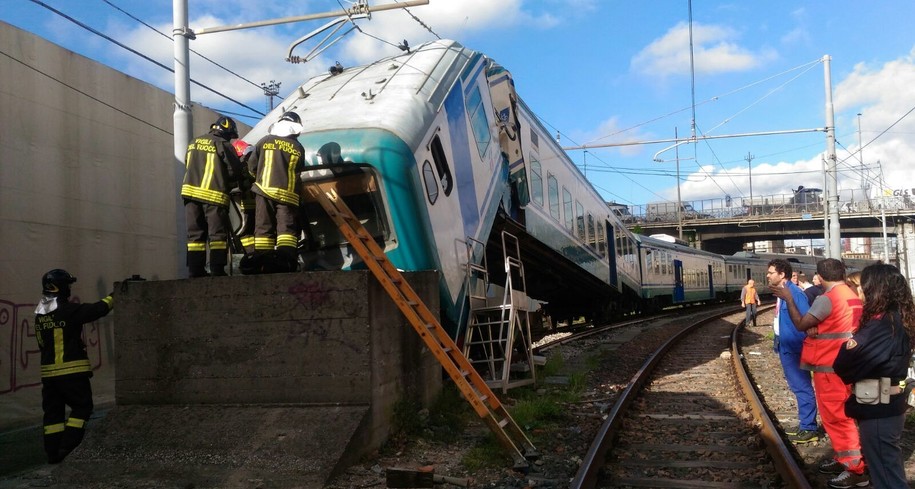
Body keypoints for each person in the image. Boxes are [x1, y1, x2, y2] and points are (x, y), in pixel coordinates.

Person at [773, 258, 867, 489]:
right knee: (844, 415)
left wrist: (788, 300)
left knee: (836, 418)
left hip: (830, 367)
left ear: (820, 277)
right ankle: (843, 458)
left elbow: (801, 324)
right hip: (845, 364)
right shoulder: (852, 296)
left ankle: (855, 469)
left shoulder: (828, 299)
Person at [833, 263, 914, 489]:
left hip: (879, 408)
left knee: (887, 475)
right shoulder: (896, 319)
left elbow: (844, 363)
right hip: (884, 404)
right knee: (885, 469)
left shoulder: (882, 326)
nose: (860, 292)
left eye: (864, 287)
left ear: (876, 290)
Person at [34, 269, 114, 464]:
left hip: (49, 375)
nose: (69, 289)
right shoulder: (67, 310)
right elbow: (97, 310)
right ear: (59, 287)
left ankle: (53, 453)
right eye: (67, 285)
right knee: (82, 408)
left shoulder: (40, 313)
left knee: (53, 415)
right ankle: (68, 446)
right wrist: (114, 296)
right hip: (70, 372)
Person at [180, 116, 246, 277]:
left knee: (195, 235)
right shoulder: (223, 144)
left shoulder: (194, 142)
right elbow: (233, 171)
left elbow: (187, 162)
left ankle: (195, 270)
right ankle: (217, 269)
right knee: (217, 236)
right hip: (213, 196)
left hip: (190, 195)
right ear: (227, 132)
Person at [766, 259, 819, 444]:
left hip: (795, 347)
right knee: (798, 386)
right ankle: (805, 424)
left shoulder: (794, 293)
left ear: (782, 274)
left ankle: (808, 427)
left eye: (771, 272)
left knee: (801, 386)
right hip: (787, 345)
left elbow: (806, 320)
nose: (768, 275)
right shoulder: (783, 293)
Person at [247, 111, 306, 272]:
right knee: (286, 232)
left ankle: (262, 263)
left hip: (264, 191)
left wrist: (257, 178)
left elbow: (252, 167)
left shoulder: (264, 141)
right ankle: (286, 264)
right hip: (288, 195)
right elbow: (299, 169)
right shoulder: (298, 147)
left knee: (263, 228)